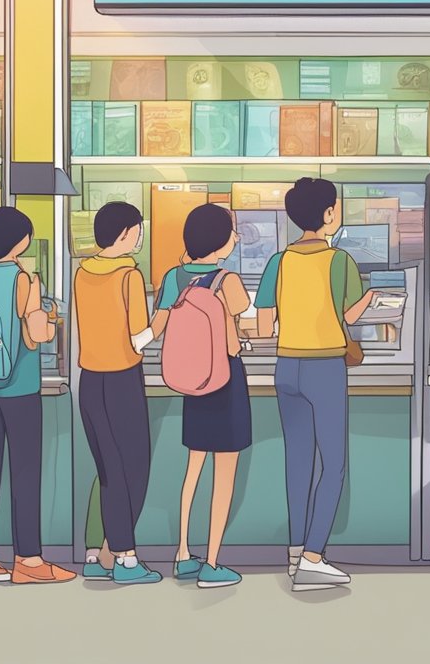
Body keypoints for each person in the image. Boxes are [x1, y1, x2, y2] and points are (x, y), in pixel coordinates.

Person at [254, 178, 376, 592]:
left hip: (286, 367)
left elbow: (264, 324)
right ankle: (313, 557)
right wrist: (372, 298)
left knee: (298, 463)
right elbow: (352, 317)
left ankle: (294, 552)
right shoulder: (339, 261)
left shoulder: (278, 261)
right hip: (325, 367)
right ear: (327, 214)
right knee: (335, 463)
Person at [0, 207, 75, 585]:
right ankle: (28, 560)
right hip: (19, 389)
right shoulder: (24, 279)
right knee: (25, 473)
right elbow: (38, 334)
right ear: (20, 239)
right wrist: (48, 310)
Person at [152, 204, 251, 589]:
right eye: (233, 233)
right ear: (220, 240)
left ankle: (182, 554)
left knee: (193, 468)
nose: (237, 239)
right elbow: (236, 342)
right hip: (225, 380)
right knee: (224, 472)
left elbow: (157, 329)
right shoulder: (227, 280)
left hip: (192, 380)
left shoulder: (173, 276)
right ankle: (212, 563)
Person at [73, 202, 160, 584]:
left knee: (107, 472)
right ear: (125, 233)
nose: (140, 236)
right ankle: (125, 559)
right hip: (123, 379)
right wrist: (166, 317)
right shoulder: (129, 275)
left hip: (90, 381)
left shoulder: (82, 271)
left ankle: (97, 554)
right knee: (133, 470)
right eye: (138, 230)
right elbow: (139, 338)